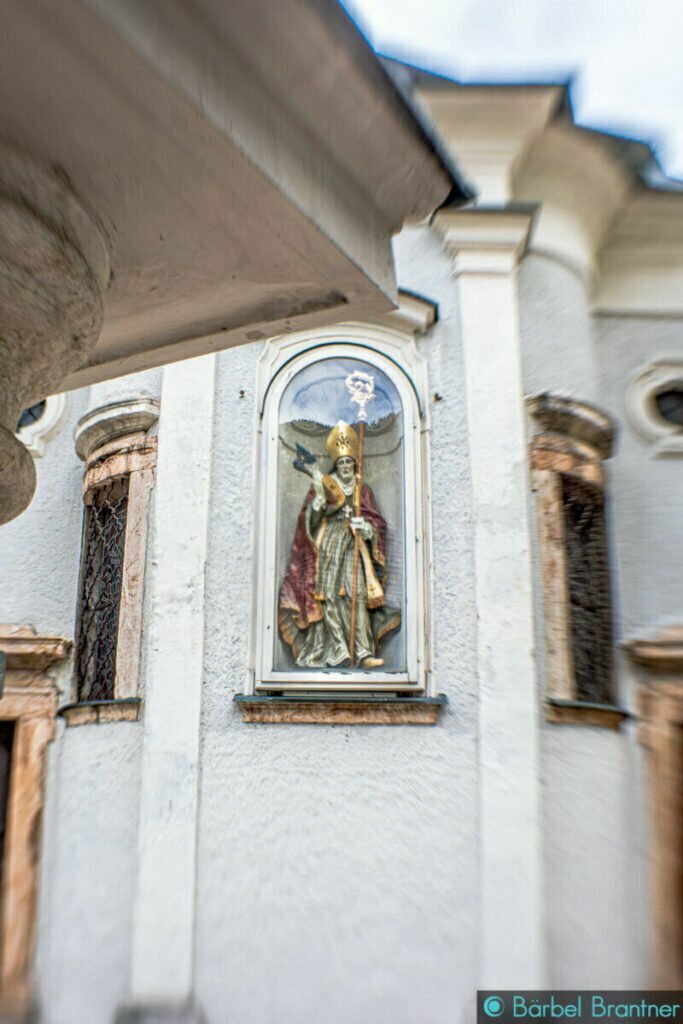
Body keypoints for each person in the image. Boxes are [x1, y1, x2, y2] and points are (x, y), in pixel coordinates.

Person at [279, 421, 401, 669]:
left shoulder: (361, 489)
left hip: (354, 545)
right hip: (328, 545)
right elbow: (309, 519)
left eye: (349, 462)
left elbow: (377, 521)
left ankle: (363, 652)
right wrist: (318, 504)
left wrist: (367, 527)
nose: (345, 466)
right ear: (336, 464)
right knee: (329, 597)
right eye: (342, 462)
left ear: (355, 464)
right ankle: (338, 649)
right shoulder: (325, 484)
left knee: (358, 593)